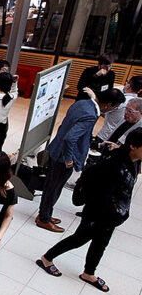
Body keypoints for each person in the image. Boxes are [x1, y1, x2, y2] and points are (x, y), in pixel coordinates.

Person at [37, 128, 142, 291]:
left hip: (113, 214)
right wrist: (107, 214)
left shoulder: (134, 161)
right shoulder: (115, 163)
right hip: (98, 212)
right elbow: (101, 192)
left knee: (101, 243)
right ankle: (47, 258)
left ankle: (89, 272)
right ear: (134, 146)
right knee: (79, 239)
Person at [35, 89, 125, 233]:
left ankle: (45, 214)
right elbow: (70, 138)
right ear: (108, 105)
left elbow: (66, 128)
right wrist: (69, 159)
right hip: (63, 157)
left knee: (52, 186)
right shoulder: (90, 115)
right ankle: (44, 218)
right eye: (114, 107)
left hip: (56, 150)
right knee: (54, 188)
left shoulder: (82, 103)